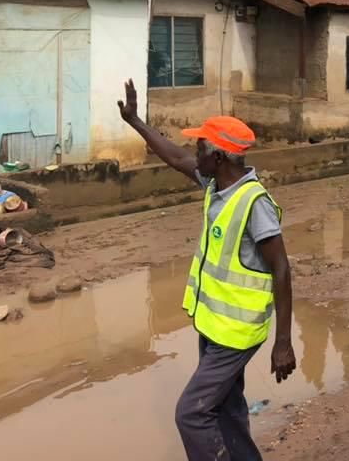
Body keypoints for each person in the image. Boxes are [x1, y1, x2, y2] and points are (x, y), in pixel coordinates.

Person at [117, 79, 295, 461]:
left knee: (192, 414)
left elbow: (281, 269)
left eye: (200, 147)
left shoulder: (254, 203)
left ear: (218, 158)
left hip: (236, 334)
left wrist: (283, 342)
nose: (193, 154)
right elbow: (175, 158)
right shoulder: (218, 185)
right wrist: (135, 121)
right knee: (226, 411)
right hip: (214, 325)